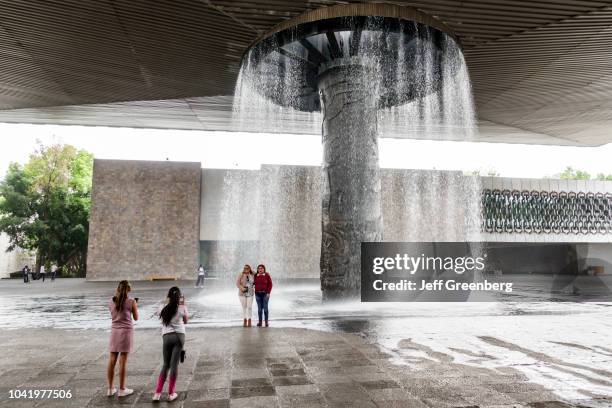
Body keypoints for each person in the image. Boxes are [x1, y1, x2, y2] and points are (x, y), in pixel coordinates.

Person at [153, 286, 188, 402]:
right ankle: (171, 393)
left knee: (165, 365)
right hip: (179, 337)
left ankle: (157, 393)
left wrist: (166, 302)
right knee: (174, 366)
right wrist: (183, 304)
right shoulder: (182, 307)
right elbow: (186, 321)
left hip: (166, 337)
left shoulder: (162, 308)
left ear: (168, 296)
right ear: (179, 297)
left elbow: (157, 315)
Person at [107, 280, 138, 398]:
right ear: (128, 290)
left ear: (118, 289)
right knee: (123, 360)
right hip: (126, 332)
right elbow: (136, 318)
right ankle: (122, 389)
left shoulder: (110, 301)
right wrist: (135, 306)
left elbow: (113, 314)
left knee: (112, 359)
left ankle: (110, 389)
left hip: (114, 331)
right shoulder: (131, 301)